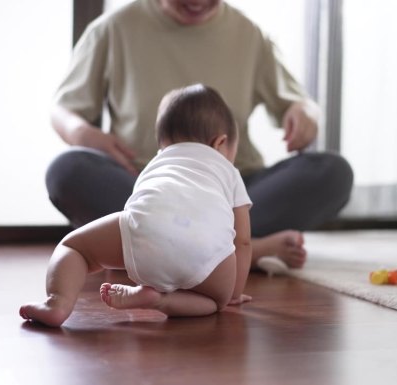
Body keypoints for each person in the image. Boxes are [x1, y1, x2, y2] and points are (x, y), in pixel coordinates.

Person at [46, 0, 353, 272]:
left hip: (233, 192)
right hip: (148, 189)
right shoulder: (111, 30)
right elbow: (63, 110)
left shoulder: (249, 35)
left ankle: (163, 246)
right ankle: (243, 249)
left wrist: (305, 113)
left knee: (332, 173)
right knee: (67, 171)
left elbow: (299, 102)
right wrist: (84, 133)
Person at [21, 84, 252, 327]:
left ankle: (57, 303)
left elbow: (145, 202)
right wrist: (232, 293)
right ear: (220, 143)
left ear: (162, 144)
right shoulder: (230, 173)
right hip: (207, 249)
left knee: (74, 248)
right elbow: (243, 241)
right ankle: (159, 300)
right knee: (214, 302)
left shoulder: (158, 161)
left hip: (148, 231)